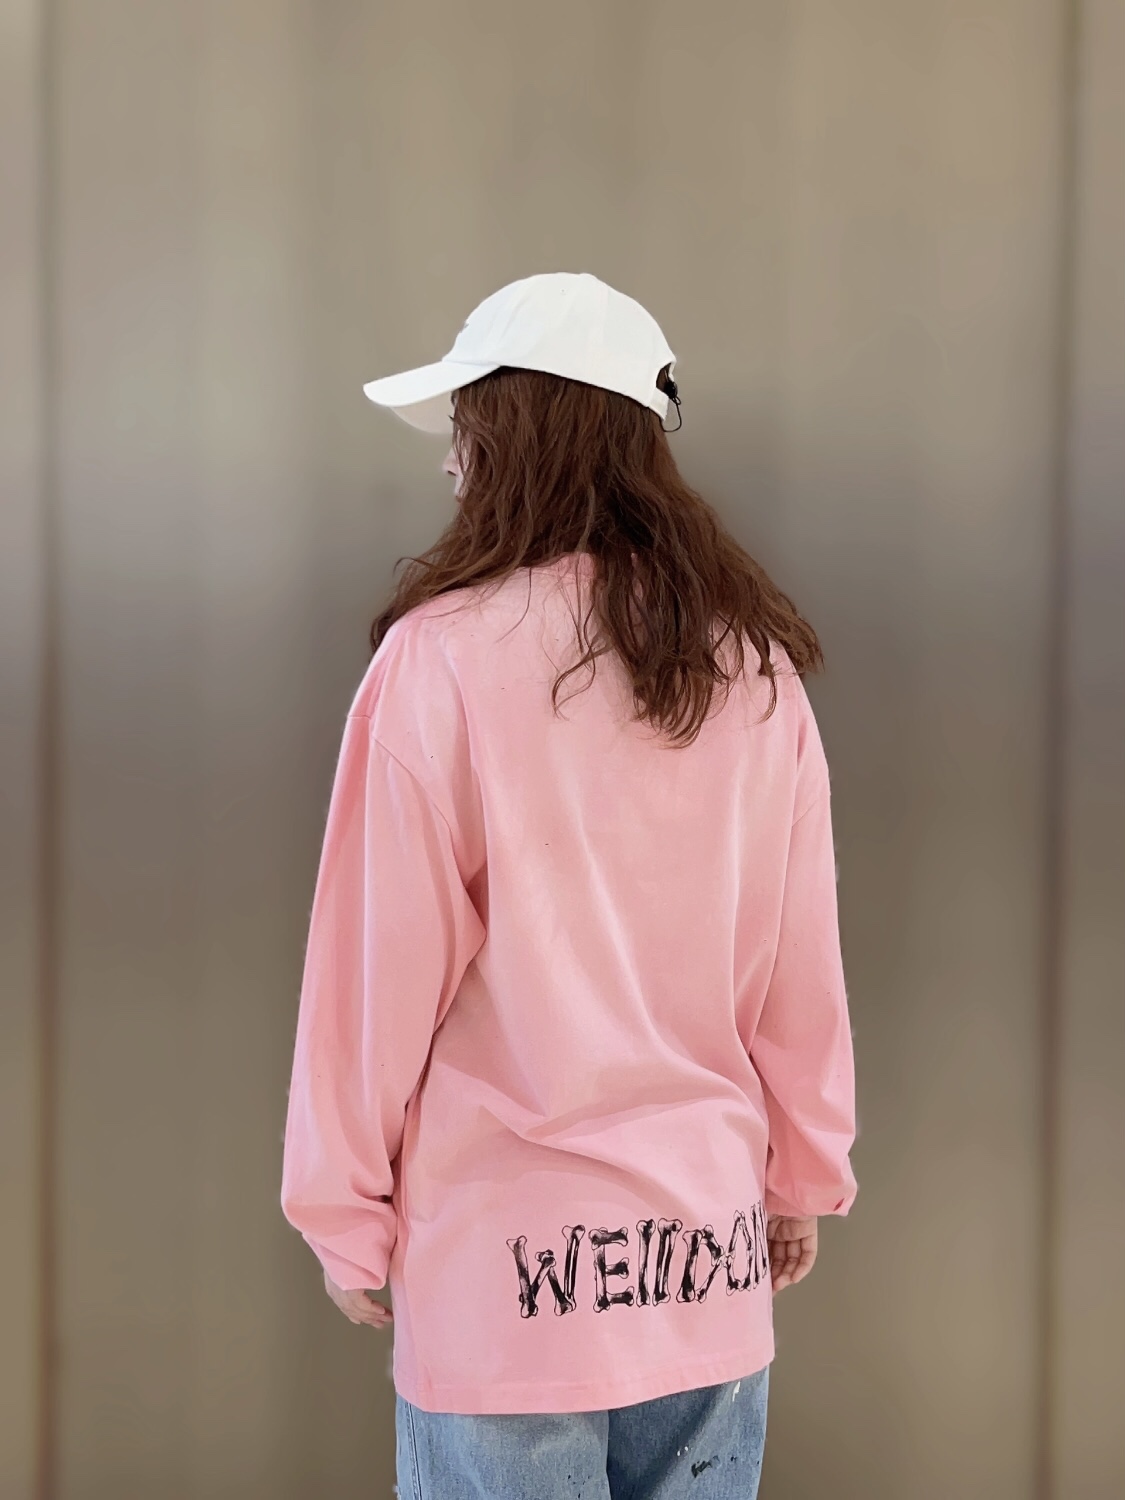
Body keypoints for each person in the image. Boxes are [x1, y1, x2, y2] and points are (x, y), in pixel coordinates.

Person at [280, 271, 858, 1499]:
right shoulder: (755, 671)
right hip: (705, 1270)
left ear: (518, 435)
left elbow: (375, 976)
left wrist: (344, 1210)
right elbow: (801, 961)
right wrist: (803, 1172)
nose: (451, 464)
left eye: (465, 427)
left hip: (504, 1290)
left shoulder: (438, 664)